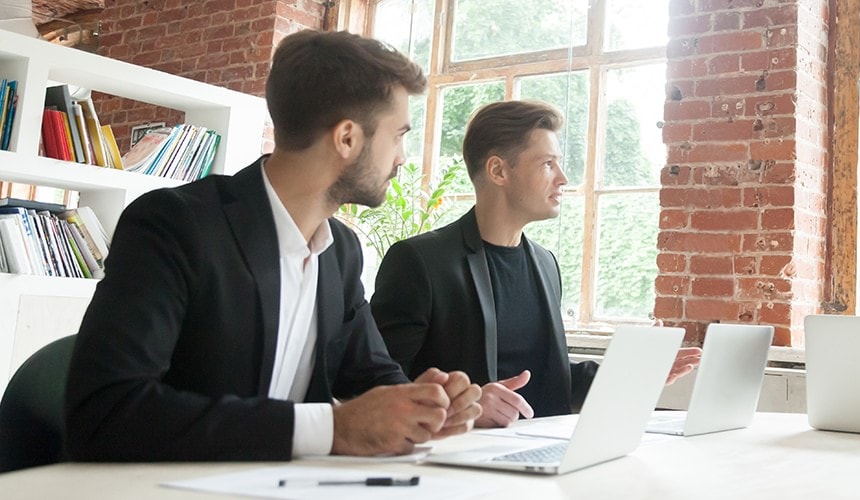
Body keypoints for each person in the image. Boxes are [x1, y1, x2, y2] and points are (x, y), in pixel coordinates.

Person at [64, 30, 482, 462]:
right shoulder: (174, 226)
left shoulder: (340, 251)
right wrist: (333, 428)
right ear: (347, 138)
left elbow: (370, 375)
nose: (402, 157)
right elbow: (106, 414)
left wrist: (431, 404)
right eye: (399, 135)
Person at [371, 100, 700, 428]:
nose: (563, 178)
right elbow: (375, 387)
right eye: (547, 164)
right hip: (455, 462)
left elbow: (552, 380)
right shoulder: (420, 262)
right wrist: (462, 407)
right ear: (498, 170)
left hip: (542, 457)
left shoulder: (546, 264)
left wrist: (633, 374)